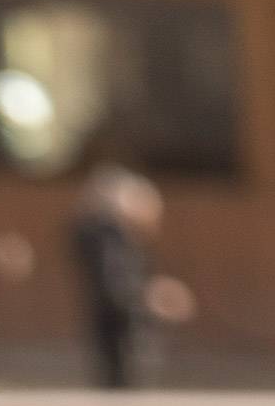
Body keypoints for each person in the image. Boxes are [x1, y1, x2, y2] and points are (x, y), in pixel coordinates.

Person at [68, 162, 193, 388]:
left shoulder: (121, 240)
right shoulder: (109, 240)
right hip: (122, 340)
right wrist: (150, 298)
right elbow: (115, 288)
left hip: (123, 338)